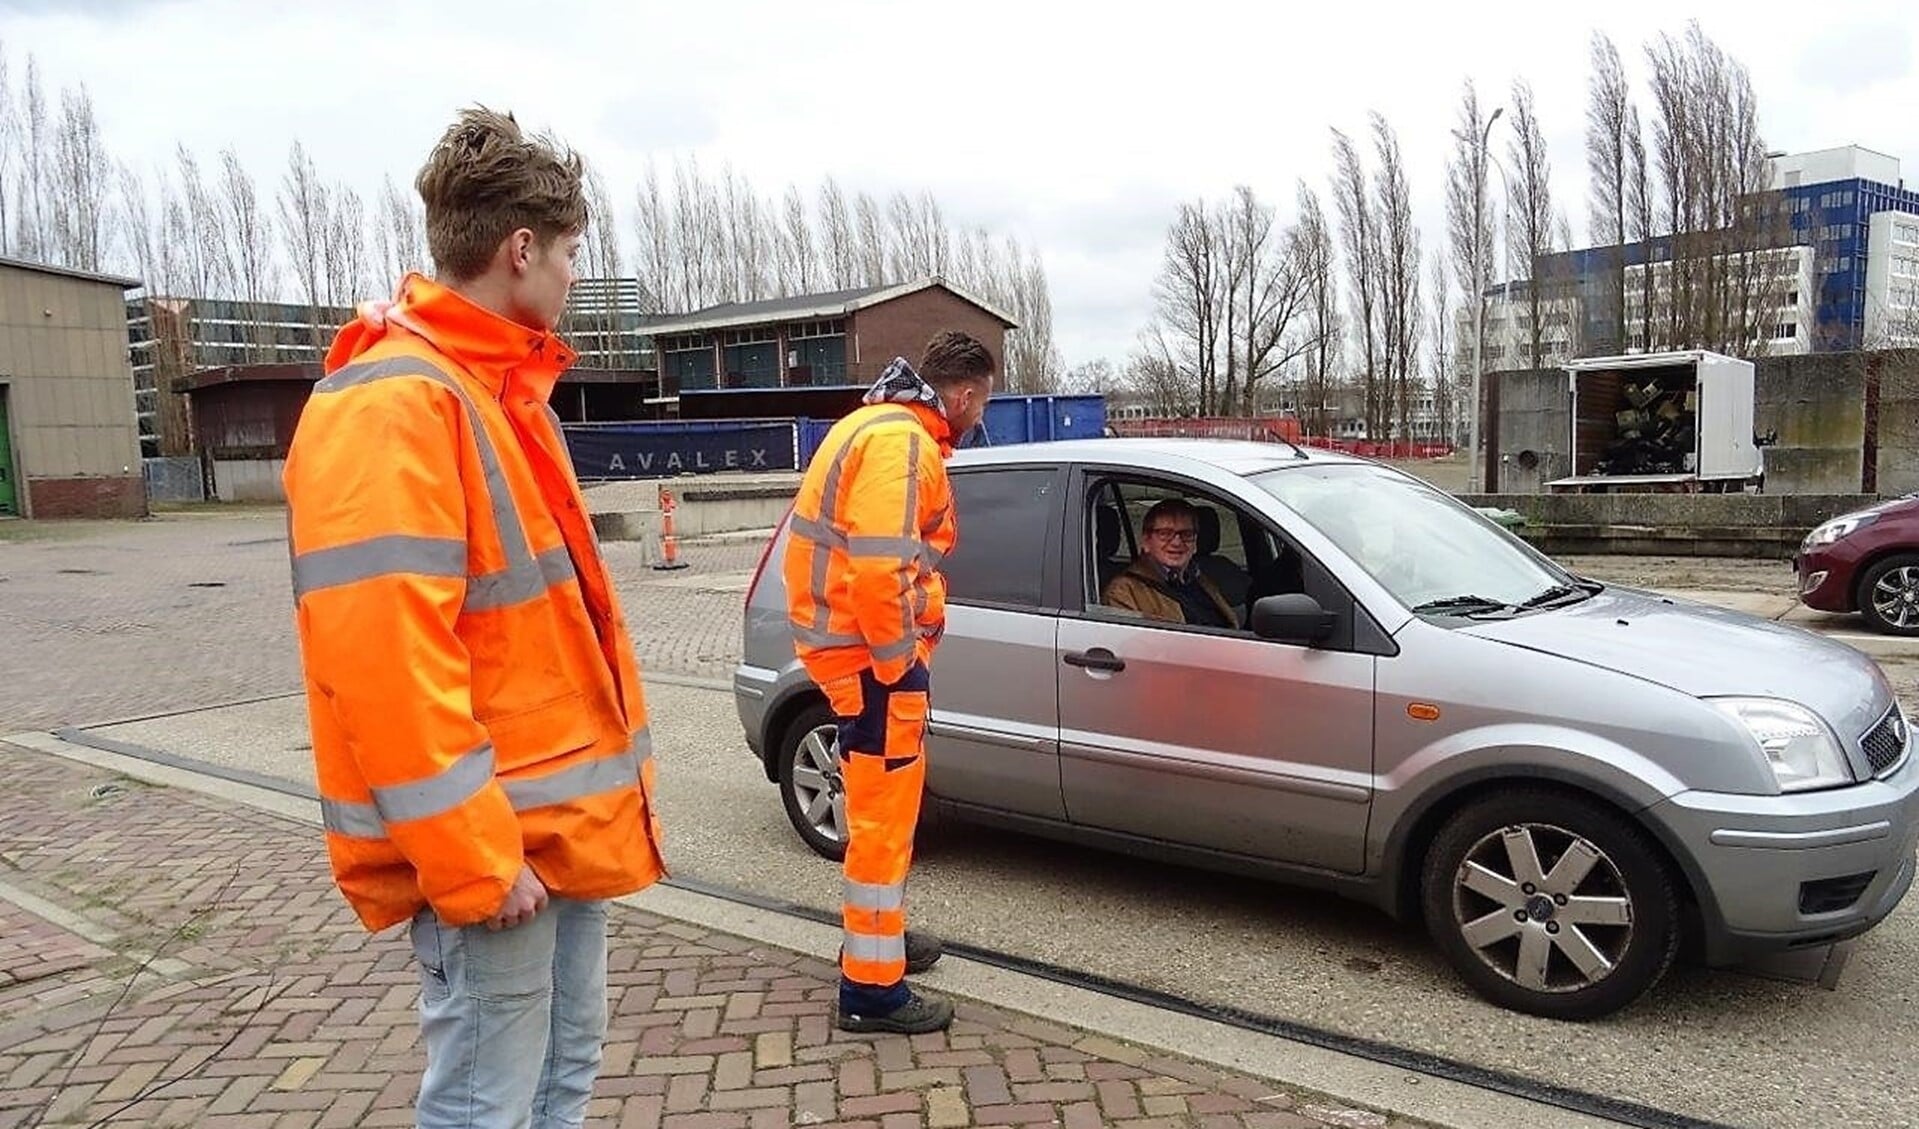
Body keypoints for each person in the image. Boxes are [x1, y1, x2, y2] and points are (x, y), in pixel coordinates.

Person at [283, 106, 665, 1129]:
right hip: (499, 846)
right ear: (521, 247)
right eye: (573, 251)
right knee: (485, 1101)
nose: (577, 275)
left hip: (554, 831)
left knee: (560, 1069)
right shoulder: (397, 405)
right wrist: (470, 855)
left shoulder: (498, 393)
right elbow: (385, 662)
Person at [782, 331, 995, 1034]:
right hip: (870, 663)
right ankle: (872, 989)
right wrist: (900, 661)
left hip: (851, 655)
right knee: (880, 823)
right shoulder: (903, 445)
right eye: (983, 402)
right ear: (962, 395)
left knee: (883, 818)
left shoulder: (872, 425)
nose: (981, 416)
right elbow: (879, 572)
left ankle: (879, 940)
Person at [1103, 498, 1238, 628]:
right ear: (1146, 541)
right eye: (1165, 533)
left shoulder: (1201, 580)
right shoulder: (1123, 591)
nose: (1176, 542)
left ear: (1195, 543)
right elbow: (1133, 646)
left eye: (1186, 534)